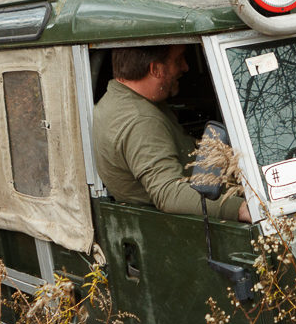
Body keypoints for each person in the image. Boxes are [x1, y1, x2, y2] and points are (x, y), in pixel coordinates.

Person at [92, 44, 251, 222]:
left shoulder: (117, 98)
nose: (185, 67)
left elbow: (177, 145)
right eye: (178, 60)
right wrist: (242, 209)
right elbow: (169, 193)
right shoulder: (141, 120)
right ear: (155, 69)